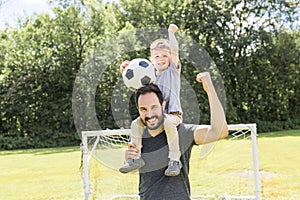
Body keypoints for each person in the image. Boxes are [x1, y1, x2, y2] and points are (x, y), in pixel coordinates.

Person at [125, 72, 228, 199]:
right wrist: (128, 157)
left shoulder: (182, 132)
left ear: (163, 105)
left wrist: (209, 89)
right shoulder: (139, 134)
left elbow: (220, 131)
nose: (149, 114)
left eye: (154, 107)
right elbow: (136, 170)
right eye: (143, 109)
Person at [119, 24, 183, 176]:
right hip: (154, 117)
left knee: (167, 122)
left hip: (173, 115)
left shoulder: (172, 71)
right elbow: (139, 90)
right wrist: (125, 70)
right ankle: (136, 159)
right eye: (157, 56)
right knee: (136, 124)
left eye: (165, 56)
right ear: (151, 60)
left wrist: (171, 33)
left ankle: (175, 160)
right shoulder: (149, 76)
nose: (161, 59)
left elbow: (174, 51)